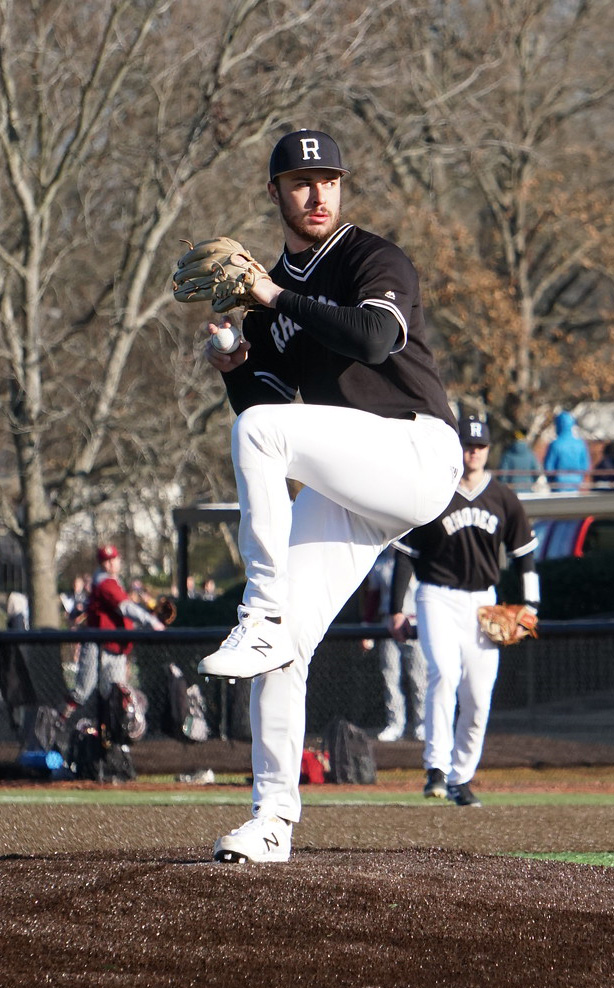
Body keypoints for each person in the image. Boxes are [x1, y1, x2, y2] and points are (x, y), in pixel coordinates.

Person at [194, 128, 463, 863]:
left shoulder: (371, 257)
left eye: (329, 179)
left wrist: (276, 294)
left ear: (341, 187)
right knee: (287, 650)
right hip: (353, 483)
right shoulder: (268, 303)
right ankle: (272, 820)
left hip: (416, 453)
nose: (317, 193)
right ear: (274, 192)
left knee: (260, 438)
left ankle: (261, 611)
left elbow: (375, 340)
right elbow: (267, 402)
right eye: (301, 181)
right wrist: (233, 359)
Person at [388, 415, 539, 807]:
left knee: (478, 696)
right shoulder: (436, 492)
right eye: (467, 445)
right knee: (445, 673)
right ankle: (435, 768)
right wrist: (395, 609)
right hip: (435, 595)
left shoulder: (504, 498)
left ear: (488, 449)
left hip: (483, 602)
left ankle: (461, 777)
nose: (473, 451)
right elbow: (405, 555)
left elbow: (525, 557)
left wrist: (531, 605)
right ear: (458, 448)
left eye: (480, 445)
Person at [61, 544, 165, 717]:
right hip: (99, 645)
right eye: (106, 561)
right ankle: (57, 722)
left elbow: (120, 617)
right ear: (101, 563)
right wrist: (151, 621)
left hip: (113, 646)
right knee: (83, 691)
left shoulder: (112, 581)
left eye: (113, 559)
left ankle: (111, 737)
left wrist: (148, 617)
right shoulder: (105, 583)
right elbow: (125, 608)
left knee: (115, 694)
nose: (110, 564)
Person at [362, 546, 426, 742]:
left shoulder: (417, 560)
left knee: (419, 676)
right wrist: (366, 629)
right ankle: (395, 723)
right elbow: (372, 598)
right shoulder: (380, 563)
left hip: (414, 624)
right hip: (387, 625)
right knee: (390, 676)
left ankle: (422, 723)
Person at [543, 410, 590, 492]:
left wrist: (550, 481)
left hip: (558, 482)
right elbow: (585, 466)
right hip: (577, 481)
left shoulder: (555, 444)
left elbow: (549, 467)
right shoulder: (580, 444)